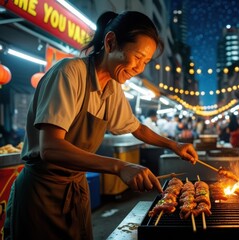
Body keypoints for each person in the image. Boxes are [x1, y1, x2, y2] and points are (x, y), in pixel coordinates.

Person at [4, 11, 198, 240]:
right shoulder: (70, 73)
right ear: (110, 42)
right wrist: (120, 167)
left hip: (75, 191)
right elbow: (50, 148)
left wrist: (174, 145)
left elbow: (136, 127)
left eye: (145, 62)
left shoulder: (112, 87)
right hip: (41, 195)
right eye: (137, 57)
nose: (139, 68)